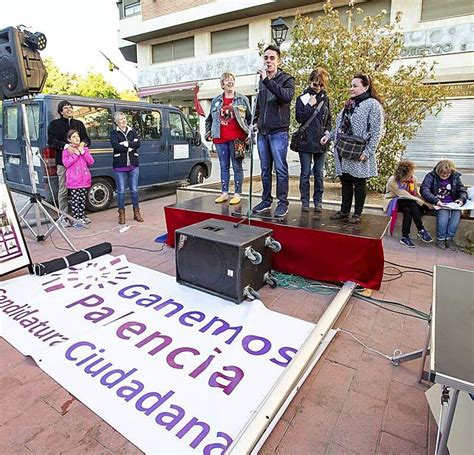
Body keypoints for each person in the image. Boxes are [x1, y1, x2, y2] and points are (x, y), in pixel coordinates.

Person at [321, 73, 384, 224]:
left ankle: (357, 214)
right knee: (346, 181)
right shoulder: (350, 104)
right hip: (344, 148)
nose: (351, 88)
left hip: (359, 149)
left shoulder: (373, 105)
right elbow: (340, 126)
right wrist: (329, 136)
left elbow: (377, 130)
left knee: (360, 182)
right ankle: (344, 211)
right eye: (351, 85)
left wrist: (368, 151)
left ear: (366, 87)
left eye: (355, 86)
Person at [252, 44, 295, 218]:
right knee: (264, 169)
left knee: (281, 169)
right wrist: (254, 122)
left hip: (278, 132)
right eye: (266, 58)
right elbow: (259, 106)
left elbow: (286, 96)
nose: (268, 61)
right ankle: (266, 200)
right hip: (262, 132)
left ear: (278, 60)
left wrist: (268, 81)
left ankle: (283, 202)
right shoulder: (262, 82)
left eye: (272, 58)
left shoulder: (286, 79)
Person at [205, 72, 251, 205]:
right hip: (220, 139)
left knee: (237, 166)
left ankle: (237, 193)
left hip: (238, 139)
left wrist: (249, 133)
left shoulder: (242, 99)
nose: (230, 82)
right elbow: (209, 119)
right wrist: (208, 133)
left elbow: (250, 118)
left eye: (232, 80)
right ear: (222, 84)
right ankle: (224, 193)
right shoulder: (216, 101)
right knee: (223, 166)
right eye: (226, 80)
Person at [47, 100, 91, 226]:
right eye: (65, 108)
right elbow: (51, 141)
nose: (68, 109)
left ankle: (80, 215)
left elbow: (87, 139)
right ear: (61, 111)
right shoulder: (54, 124)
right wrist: (66, 146)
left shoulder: (79, 124)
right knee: (63, 190)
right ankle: (63, 216)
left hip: (80, 163)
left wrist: (83, 143)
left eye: (70, 107)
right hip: (63, 162)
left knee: (80, 190)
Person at [295, 67, 331, 213]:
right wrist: (309, 105)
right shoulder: (302, 98)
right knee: (305, 173)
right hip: (305, 140)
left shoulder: (325, 98)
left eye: (321, 85)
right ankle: (305, 201)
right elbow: (299, 118)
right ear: (311, 81)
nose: (318, 87)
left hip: (321, 141)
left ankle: (318, 202)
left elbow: (328, 119)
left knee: (319, 173)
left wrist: (327, 132)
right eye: (316, 84)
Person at [383, 160, 433, 248]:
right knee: (411, 202)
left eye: (411, 174)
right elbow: (405, 195)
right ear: (402, 175)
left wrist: (426, 201)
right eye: (409, 175)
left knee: (408, 210)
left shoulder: (413, 179)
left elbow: (415, 194)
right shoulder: (392, 181)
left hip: (408, 203)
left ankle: (405, 236)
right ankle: (421, 229)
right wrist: (423, 203)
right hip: (394, 201)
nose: (411, 177)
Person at [420, 160, 467, 250]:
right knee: (443, 214)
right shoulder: (431, 176)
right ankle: (440, 239)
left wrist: (461, 200)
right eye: (443, 173)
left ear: (451, 172)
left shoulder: (455, 177)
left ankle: (449, 238)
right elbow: (424, 190)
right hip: (438, 203)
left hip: (453, 203)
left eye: (448, 173)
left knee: (456, 214)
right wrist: (435, 200)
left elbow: (462, 191)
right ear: (438, 170)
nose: (445, 175)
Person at [110, 112, 143, 225]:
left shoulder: (132, 131)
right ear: (116, 122)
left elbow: (138, 144)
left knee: (134, 190)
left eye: (124, 118)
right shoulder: (114, 133)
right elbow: (116, 146)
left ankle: (136, 212)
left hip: (133, 164)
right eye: (120, 119)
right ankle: (121, 214)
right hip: (120, 165)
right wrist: (129, 147)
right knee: (121, 191)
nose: (123, 121)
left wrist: (126, 143)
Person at [62, 129, 94, 228]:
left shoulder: (84, 149)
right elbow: (66, 163)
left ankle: (81, 216)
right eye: (74, 137)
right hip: (74, 180)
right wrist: (76, 154)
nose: (77, 138)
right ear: (69, 139)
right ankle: (76, 219)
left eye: (78, 136)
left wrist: (83, 152)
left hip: (84, 179)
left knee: (82, 199)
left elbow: (91, 161)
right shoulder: (67, 151)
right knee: (75, 200)